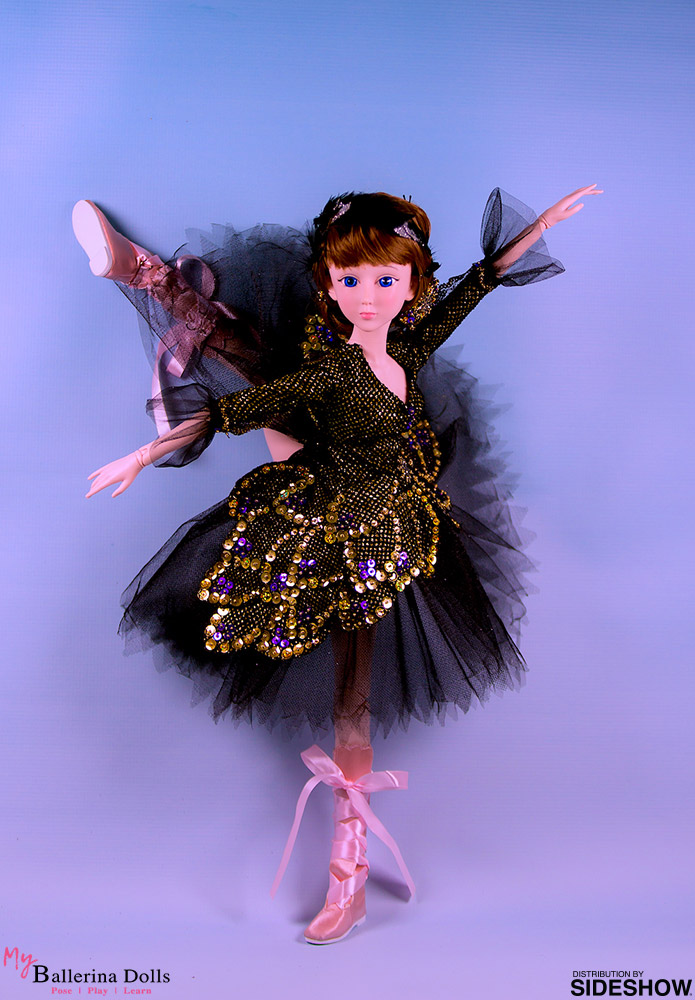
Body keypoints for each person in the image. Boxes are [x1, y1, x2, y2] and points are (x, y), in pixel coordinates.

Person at [74, 183, 601, 944]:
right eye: (351, 280)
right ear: (329, 285)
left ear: (411, 286)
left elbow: (477, 284)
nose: (368, 295)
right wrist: (144, 452)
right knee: (260, 371)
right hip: (330, 497)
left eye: (387, 280)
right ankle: (147, 275)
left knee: (356, 692)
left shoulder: (408, 347)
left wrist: (536, 227)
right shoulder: (334, 370)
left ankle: (346, 872)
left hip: (393, 518)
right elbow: (228, 413)